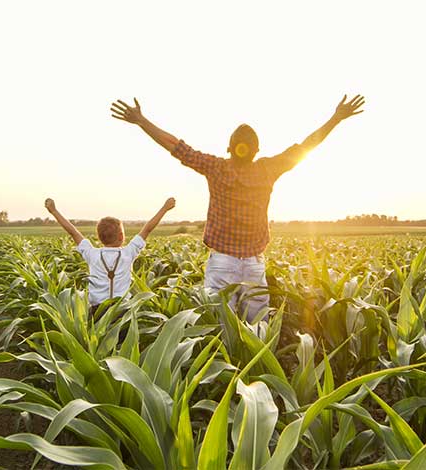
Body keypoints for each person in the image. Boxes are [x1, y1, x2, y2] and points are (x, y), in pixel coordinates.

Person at [110, 95, 365, 323]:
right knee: (258, 330)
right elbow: (306, 146)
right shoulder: (267, 169)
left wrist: (142, 121)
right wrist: (335, 118)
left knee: (222, 329)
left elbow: (176, 146)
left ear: (229, 148)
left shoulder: (216, 168)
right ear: (256, 151)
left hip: (222, 264)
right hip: (254, 265)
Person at [44, 197, 176, 310]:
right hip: (122, 309)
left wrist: (54, 211)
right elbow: (147, 229)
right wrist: (164, 208)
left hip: (97, 310)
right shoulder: (128, 253)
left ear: (99, 237)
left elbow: (73, 232)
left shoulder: (92, 254)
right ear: (120, 236)